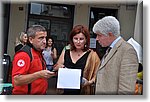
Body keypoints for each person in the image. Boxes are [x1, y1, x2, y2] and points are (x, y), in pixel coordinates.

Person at [92, 16, 139, 95]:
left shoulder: (127, 51)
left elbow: (126, 90)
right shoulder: (110, 49)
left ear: (110, 34)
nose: (96, 39)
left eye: (99, 35)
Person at [54, 25, 100, 95]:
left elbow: (98, 75)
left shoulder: (92, 55)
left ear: (86, 40)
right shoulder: (66, 51)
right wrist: (60, 67)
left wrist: (89, 82)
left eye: (81, 39)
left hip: (83, 92)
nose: (78, 42)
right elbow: (56, 67)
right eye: (75, 38)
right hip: (65, 92)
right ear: (72, 39)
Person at [12, 25, 56, 95]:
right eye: (41, 38)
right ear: (31, 40)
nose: (45, 41)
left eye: (45, 38)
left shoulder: (38, 52)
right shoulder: (24, 54)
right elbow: (17, 80)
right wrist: (39, 74)